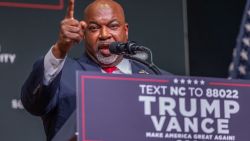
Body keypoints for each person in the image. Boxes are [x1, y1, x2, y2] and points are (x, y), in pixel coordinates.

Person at [21, 0, 171, 140]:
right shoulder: (62, 73)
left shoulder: (158, 79)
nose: (104, 35)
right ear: (84, 34)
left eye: (113, 26)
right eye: (94, 28)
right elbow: (34, 104)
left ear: (125, 31)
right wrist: (60, 49)